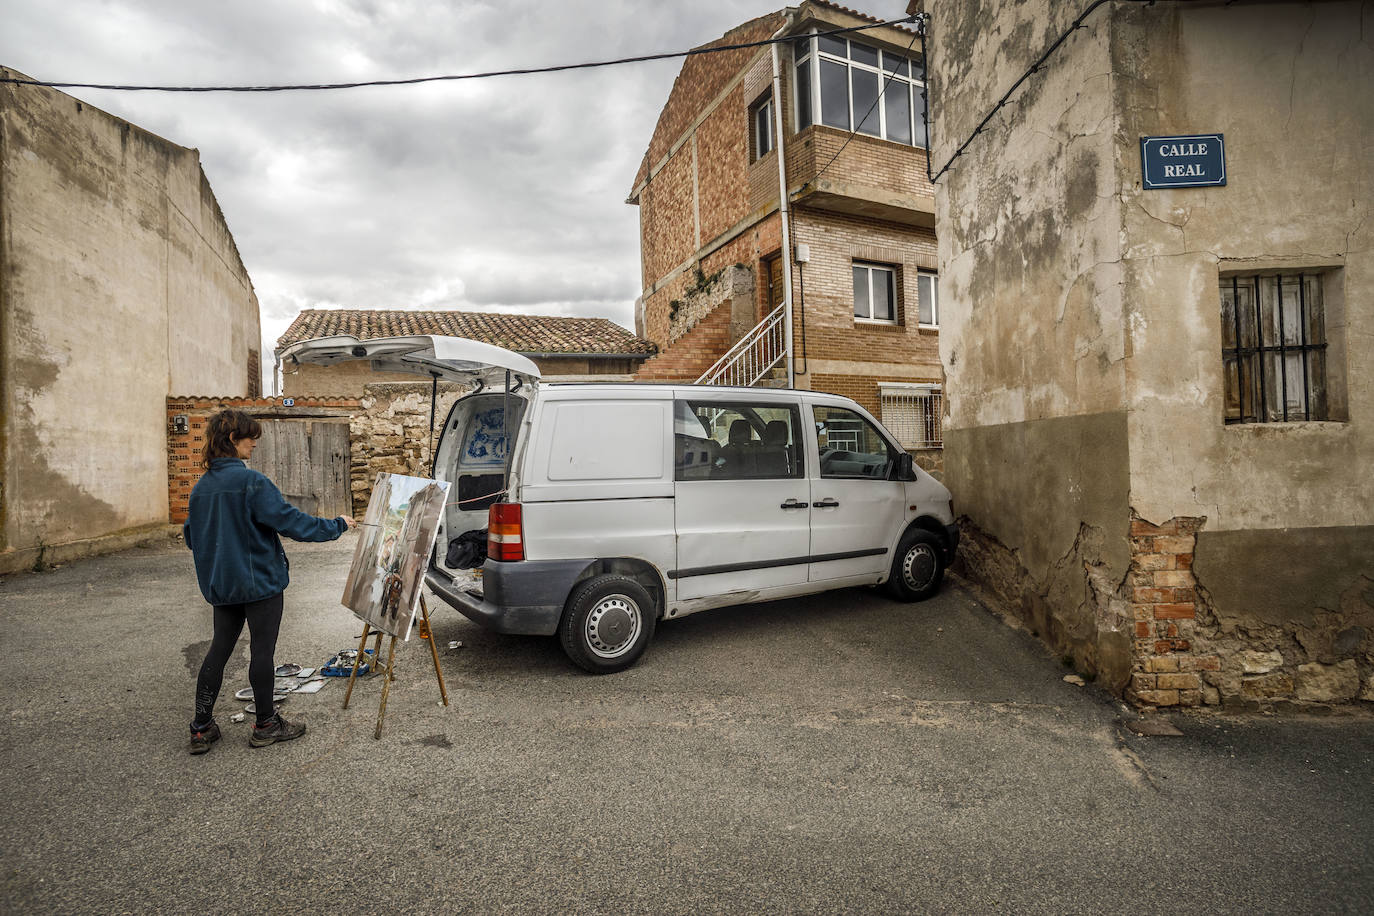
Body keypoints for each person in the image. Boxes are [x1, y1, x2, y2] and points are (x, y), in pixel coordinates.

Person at [183, 409, 357, 754]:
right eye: (250, 438)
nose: (254, 444)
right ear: (232, 439)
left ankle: (201, 727)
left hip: (223, 585)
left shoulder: (201, 489)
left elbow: (192, 537)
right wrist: (337, 525)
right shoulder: (251, 483)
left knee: (219, 649)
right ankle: (265, 724)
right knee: (262, 651)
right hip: (260, 582)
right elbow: (291, 522)